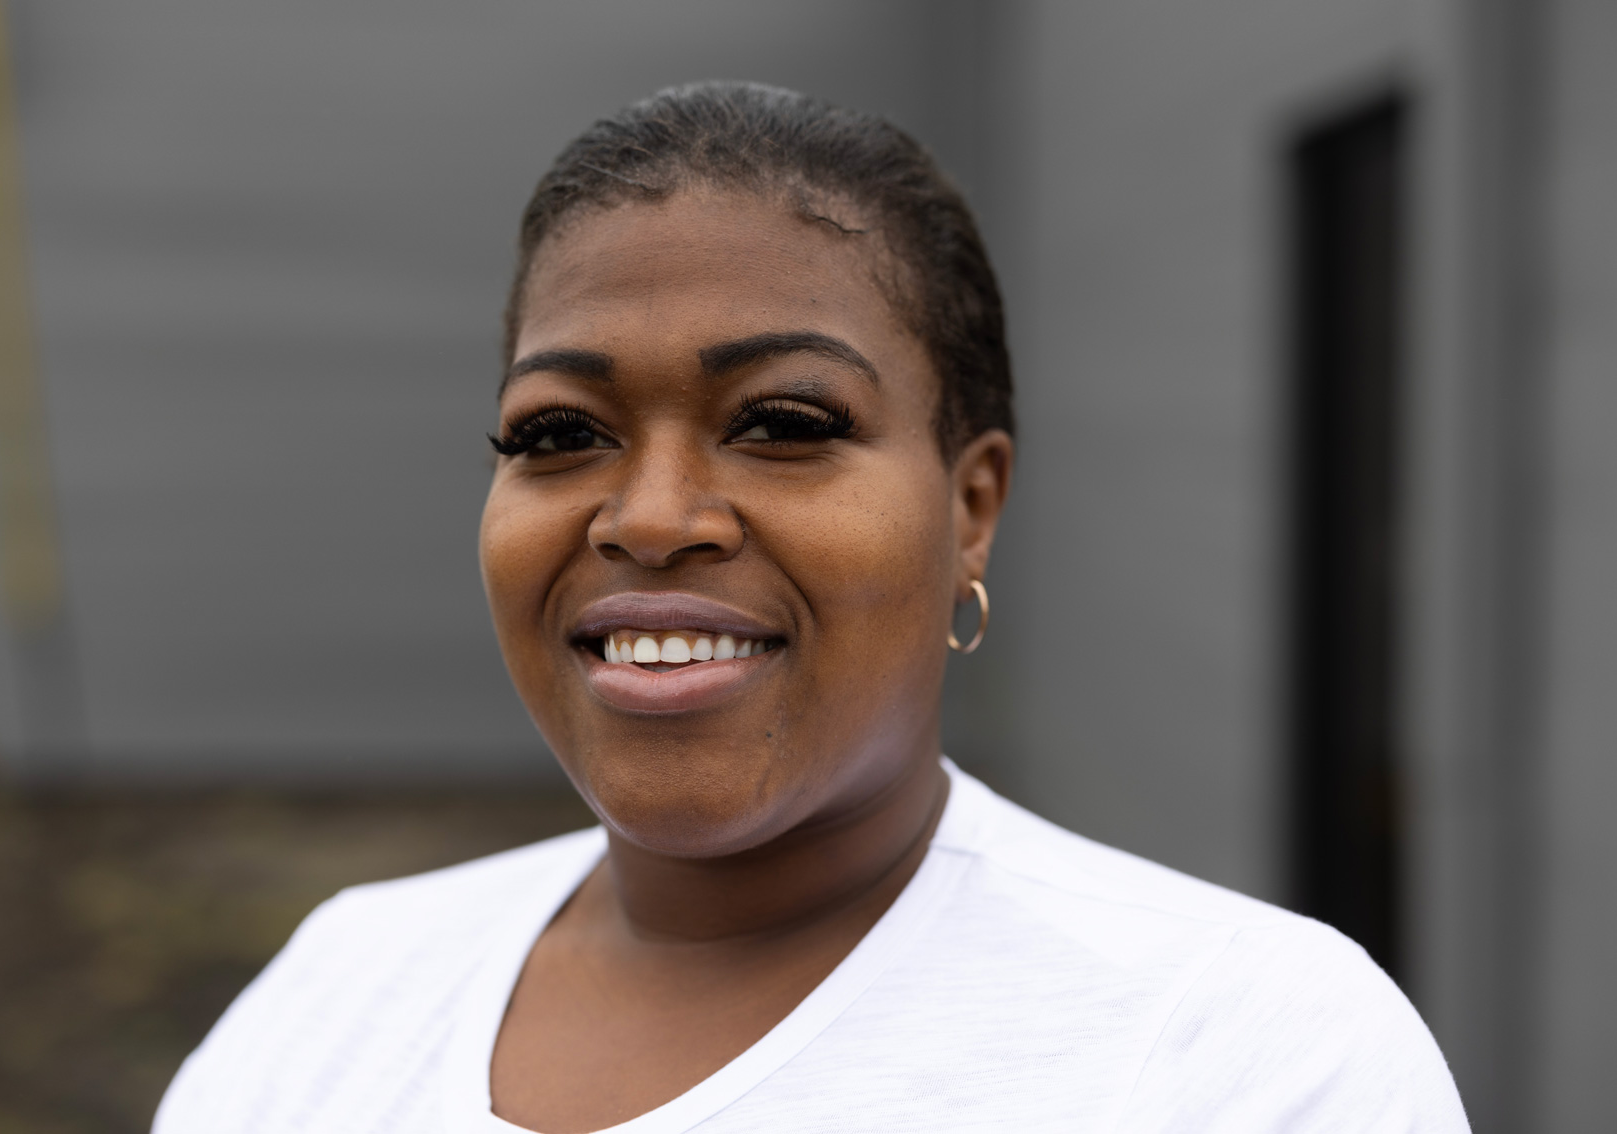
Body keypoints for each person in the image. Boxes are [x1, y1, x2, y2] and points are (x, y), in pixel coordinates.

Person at [154, 81, 1468, 1133]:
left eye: (783, 422)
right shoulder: (341, 988)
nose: (654, 515)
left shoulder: (1236, 1047)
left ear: (970, 505)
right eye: (558, 431)